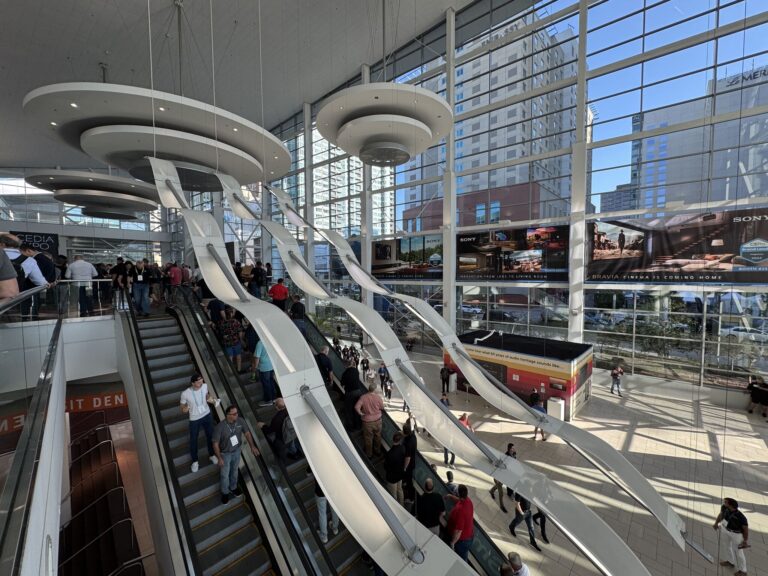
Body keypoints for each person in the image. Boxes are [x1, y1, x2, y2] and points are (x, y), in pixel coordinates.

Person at [213, 404, 258, 504]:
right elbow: (215, 444)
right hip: (225, 454)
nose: (236, 415)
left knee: (234, 471)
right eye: (234, 414)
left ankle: (233, 487)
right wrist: (219, 457)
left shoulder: (240, 421)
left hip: (237, 451)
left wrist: (252, 446)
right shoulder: (220, 427)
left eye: (237, 413)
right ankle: (225, 493)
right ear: (228, 415)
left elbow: (247, 433)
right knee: (225, 474)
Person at [180, 374, 219, 473]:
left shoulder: (204, 386)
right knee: (194, 440)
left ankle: (212, 455)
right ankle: (195, 461)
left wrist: (212, 400)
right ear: (192, 383)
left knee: (211, 436)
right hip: (194, 419)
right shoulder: (185, 393)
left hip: (207, 415)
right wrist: (186, 408)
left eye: (201, 381)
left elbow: (207, 396)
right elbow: (182, 408)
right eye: (198, 382)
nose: (201, 383)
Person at [713, 497, 749, 576]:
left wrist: (745, 541)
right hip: (725, 529)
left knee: (739, 552)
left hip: (736, 534)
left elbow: (745, 529)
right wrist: (716, 523)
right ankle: (730, 561)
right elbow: (721, 514)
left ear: (731, 505)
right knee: (727, 546)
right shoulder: (724, 508)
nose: (724, 503)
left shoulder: (741, 517)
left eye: (726, 502)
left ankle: (743, 571)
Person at [258, 398, 300, 462]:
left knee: (279, 447)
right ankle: (296, 454)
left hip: (282, 438)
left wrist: (263, 425)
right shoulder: (290, 410)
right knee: (291, 444)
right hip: (292, 434)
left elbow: (269, 430)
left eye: (275, 404)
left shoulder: (276, 419)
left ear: (277, 407)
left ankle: (283, 460)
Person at [355, 383, 385, 458]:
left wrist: (361, 413)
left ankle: (369, 455)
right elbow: (382, 407)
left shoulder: (363, 397)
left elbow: (356, 407)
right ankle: (377, 451)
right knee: (378, 436)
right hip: (378, 421)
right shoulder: (378, 397)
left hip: (367, 423)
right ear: (374, 390)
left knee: (368, 439)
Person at [446, 484, 474, 562]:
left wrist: (452, 543)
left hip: (462, 541)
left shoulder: (460, 510)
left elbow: (458, 531)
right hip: (468, 537)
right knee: (464, 554)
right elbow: (459, 500)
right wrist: (451, 496)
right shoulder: (468, 501)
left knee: (461, 558)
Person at [383, 431, 406, 506]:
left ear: (393, 439)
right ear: (400, 441)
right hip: (400, 475)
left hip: (392, 478)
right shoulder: (403, 448)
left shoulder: (390, 454)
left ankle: (396, 507)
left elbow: (386, 466)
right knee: (400, 490)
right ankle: (402, 505)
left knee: (393, 494)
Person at [315, 479, 339, 544]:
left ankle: (324, 536)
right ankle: (335, 528)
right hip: (332, 487)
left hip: (320, 491)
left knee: (322, 513)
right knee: (334, 509)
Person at [220, 308, 244, 373]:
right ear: (232, 313)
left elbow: (221, 333)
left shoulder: (222, 322)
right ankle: (239, 370)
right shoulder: (235, 321)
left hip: (227, 343)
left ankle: (231, 372)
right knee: (238, 356)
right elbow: (240, 332)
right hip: (236, 342)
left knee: (230, 357)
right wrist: (241, 340)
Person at [253, 339, 276, 406]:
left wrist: (255, 368)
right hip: (271, 365)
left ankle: (268, 400)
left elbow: (257, 357)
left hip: (264, 367)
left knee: (266, 384)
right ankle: (273, 398)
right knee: (271, 382)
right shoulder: (270, 340)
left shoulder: (260, 343)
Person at [402, 419, 417, 504]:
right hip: (413, 462)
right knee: (408, 479)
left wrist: (404, 468)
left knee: (409, 480)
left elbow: (408, 457)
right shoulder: (413, 436)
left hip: (409, 465)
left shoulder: (407, 443)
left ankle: (411, 498)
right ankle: (406, 483)